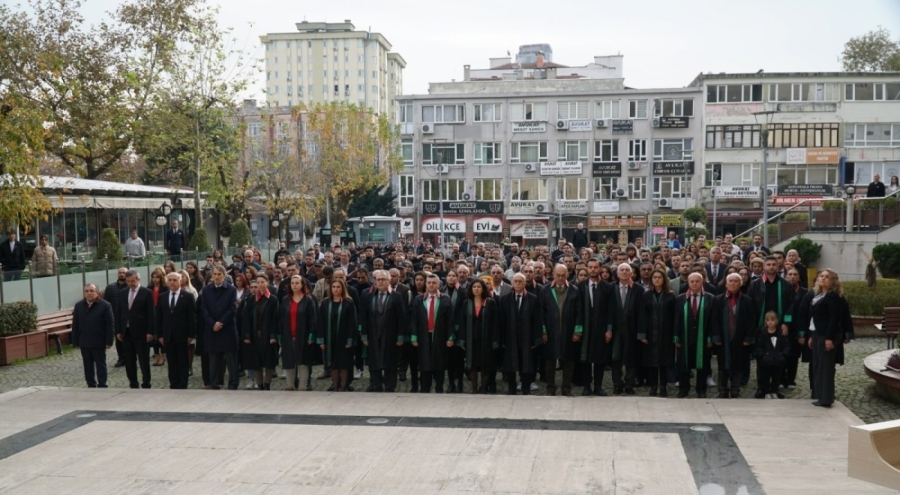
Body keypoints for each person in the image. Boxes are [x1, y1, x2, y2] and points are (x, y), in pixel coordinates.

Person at [747, 256, 794, 398]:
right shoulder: (755, 284)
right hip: (762, 327)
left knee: (778, 357)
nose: (771, 267)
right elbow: (750, 306)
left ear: (778, 266)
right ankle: (762, 387)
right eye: (768, 264)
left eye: (774, 264)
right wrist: (753, 326)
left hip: (779, 327)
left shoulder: (785, 284)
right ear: (764, 267)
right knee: (762, 358)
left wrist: (786, 323)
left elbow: (791, 305)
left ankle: (775, 387)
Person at [806, 269, 851, 408]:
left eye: (827, 277)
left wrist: (829, 338)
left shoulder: (833, 296)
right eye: (821, 276)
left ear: (833, 281)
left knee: (826, 367)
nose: (823, 279)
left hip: (828, 335)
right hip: (817, 333)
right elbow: (815, 317)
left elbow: (834, 319)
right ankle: (820, 395)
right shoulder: (819, 295)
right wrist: (811, 335)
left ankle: (826, 398)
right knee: (818, 365)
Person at [539, 264, 583, 396]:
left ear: (567, 275)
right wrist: (543, 330)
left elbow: (579, 313)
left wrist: (577, 331)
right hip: (551, 331)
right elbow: (541, 312)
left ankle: (566, 388)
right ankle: (550, 388)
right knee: (550, 361)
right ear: (553, 274)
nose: (560, 277)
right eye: (558, 275)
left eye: (563, 275)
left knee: (568, 360)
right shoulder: (545, 290)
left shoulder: (574, 290)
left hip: (569, 331)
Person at [360, 270, 407, 392]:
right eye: (378, 279)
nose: (380, 282)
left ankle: (390, 386)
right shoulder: (368, 295)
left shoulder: (396, 296)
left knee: (390, 362)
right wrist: (364, 335)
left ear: (389, 281)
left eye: (383, 280)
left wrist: (400, 336)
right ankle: (376, 385)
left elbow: (401, 318)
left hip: (390, 334)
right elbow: (363, 317)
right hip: (373, 333)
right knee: (374, 362)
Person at [711, 273, 755, 398]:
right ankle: (723, 390)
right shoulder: (718, 299)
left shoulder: (747, 300)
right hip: (723, 338)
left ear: (740, 284)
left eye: (736, 281)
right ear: (726, 283)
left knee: (738, 363)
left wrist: (748, 338)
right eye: (730, 281)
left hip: (740, 338)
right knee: (723, 364)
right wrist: (716, 337)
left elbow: (751, 321)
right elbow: (714, 320)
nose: (733, 283)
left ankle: (735, 389)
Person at [410, 274, 454, 393]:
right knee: (424, 363)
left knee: (439, 363)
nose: (431, 285)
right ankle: (425, 388)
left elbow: (450, 319)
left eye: (434, 283)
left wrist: (450, 337)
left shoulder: (446, 299)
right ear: (426, 284)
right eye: (429, 282)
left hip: (440, 335)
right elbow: (414, 319)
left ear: (438, 284)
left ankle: (439, 388)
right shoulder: (419, 300)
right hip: (423, 335)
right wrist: (413, 336)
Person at [499, 273, 542, 395]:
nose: (517, 283)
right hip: (509, 338)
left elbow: (537, 320)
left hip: (527, 338)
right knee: (509, 364)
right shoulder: (505, 299)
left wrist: (535, 340)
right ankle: (512, 387)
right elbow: (501, 321)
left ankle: (526, 388)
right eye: (515, 281)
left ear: (524, 283)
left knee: (527, 364)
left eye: (520, 281)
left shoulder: (533, 299)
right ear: (512, 283)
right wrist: (502, 340)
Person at [637, 268, 677, 397]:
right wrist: (642, 334)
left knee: (664, 362)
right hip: (651, 333)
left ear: (664, 279)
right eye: (654, 277)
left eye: (659, 277)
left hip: (666, 333)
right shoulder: (646, 295)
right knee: (652, 362)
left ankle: (663, 386)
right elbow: (642, 315)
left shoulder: (671, 296)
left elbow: (675, 317)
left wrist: (675, 335)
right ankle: (653, 386)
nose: (657, 279)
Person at [674, 273, 714, 398]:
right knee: (683, 365)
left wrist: (711, 337)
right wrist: (676, 337)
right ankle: (683, 389)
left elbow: (714, 320)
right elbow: (676, 319)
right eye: (692, 281)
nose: (695, 283)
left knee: (703, 365)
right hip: (685, 337)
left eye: (697, 281)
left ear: (702, 282)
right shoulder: (681, 298)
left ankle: (701, 390)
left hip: (703, 337)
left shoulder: (710, 298)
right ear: (688, 283)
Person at [454, 279, 497, 394]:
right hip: (471, 339)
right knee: (472, 363)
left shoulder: (490, 302)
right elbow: (462, 322)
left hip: (486, 339)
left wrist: (494, 340)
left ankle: (483, 387)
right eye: (474, 287)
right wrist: (462, 341)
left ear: (483, 289)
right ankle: (474, 388)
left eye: (479, 287)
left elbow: (495, 322)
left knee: (485, 363)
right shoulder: (466, 303)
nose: (476, 289)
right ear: (471, 289)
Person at [608, 263, 645, 395]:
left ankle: (629, 384)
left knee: (631, 357)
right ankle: (617, 384)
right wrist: (609, 329)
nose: (624, 272)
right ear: (617, 274)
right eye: (621, 270)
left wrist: (641, 333)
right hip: (615, 329)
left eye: (626, 270)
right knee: (615, 357)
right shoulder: (611, 288)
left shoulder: (638, 289)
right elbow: (607, 311)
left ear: (631, 273)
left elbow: (642, 312)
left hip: (632, 329)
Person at [200, 266, 240, 390]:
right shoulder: (206, 290)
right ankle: (214, 382)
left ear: (224, 276)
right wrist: (212, 323)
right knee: (213, 358)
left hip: (227, 328)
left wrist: (221, 322)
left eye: (219, 274)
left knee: (230, 358)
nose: (216, 277)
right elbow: (204, 309)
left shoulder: (231, 290)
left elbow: (232, 309)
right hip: (211, 329)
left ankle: (233, 383)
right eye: (215, 274)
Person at [116, 270, 156, 389]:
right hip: (126, 332)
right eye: (128, 281)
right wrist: (118, 330)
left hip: (142, 332)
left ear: (138, 279)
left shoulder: (146, 293)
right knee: (129, 360)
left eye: (133, 281)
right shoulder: (122, 293)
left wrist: (150, 331)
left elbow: (151, 314)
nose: (130, 283)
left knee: (143, 360)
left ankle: (146, 382)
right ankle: (133, 383)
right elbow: (118, 313)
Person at [317, 278, 358, 392]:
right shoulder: (325, 303)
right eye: (333, 287)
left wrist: (350, 339)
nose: (335, 289)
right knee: (334, 364)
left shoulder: (348, 302)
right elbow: (320, 322)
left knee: (344, 364)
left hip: (344, 338)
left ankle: (344, 386)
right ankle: (335, 387)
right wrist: (321, 340)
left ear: (342, 288)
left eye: (338, 287)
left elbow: (352, 322)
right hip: (330, 338)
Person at [157, 272, 196, 389]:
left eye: (175, 280)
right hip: (168, 335)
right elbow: (159, 317)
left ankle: (183, 384)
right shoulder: (162, 297)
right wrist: (159, 335)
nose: (172, 282)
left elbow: (192, 318)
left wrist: (191, 335)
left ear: (180, 281)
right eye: (170, 280)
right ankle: (173, 384)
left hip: (183, 335)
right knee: (172, 362)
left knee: (183, 362)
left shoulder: (188, 296)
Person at [241, 274, 280, 390]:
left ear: (267, 283)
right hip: (254, 334)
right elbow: (246, 319)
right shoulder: (251, 299)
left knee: (268, 360)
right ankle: (260, 384)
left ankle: (267, 384)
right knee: (255, 361)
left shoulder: (273, 299)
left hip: (268, 334)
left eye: (263, 282)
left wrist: (273, 335)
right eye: (258, 282)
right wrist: (246, 335)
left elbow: (275, 318)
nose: (260, 285)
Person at [72, 284, 114, 388]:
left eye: (91, 291)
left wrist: (109, 341)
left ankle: (102, 384)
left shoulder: (105, 305)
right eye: (86, 291)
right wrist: (75, 341)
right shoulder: (79, 305)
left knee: (100, 364)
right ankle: (91, 384)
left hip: (99, 340)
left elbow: (110, 324)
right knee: (87, 365)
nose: (89, 293)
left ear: (97, 292)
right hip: (84, 341)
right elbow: (75, 324)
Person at [279, 275, 317, 391]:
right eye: (292, 283)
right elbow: (280, 319)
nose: (294, 285)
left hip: (304, 335)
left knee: (303, 361)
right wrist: (280, 336)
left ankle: (302, 385)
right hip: (288, 335)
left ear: (302, 285)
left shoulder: (308, 300)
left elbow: (313, 319)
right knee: (289, 359)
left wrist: (312, 335)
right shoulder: (286, 300)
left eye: (297, 283)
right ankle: (290, 384)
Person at [755, 311, 791, 399]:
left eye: (772, 320)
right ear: (765, 321)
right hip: (766, 361)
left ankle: (775, 391)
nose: (770, 322)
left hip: (777, 361)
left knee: (776, 377)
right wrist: (763, 357)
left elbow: (786, 346)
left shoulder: (781, 333)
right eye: (768, 320)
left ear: (776, 321)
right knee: (765, 377)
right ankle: (766, 391)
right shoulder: (762, 334)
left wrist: (782, 356)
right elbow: (759, 346)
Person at [104, 268, 128, 368]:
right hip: (114, 317)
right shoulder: (110, 287)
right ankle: (121, 358)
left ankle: (130, 357)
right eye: (120, 273)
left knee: (128, 338)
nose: (122, 274)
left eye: (124, 273)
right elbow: (106, 302)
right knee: (119, 339)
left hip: (127, 317)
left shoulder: (131, 286)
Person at [147, 267, 167, 367]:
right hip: (152, 312)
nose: (155, 279)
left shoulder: (165, 288)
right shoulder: (149, 288)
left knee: (161, 334)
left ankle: (163, 354)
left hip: (162, 312)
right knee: (154, 335)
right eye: (153, 277)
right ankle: (156, 354)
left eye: (157, 277)